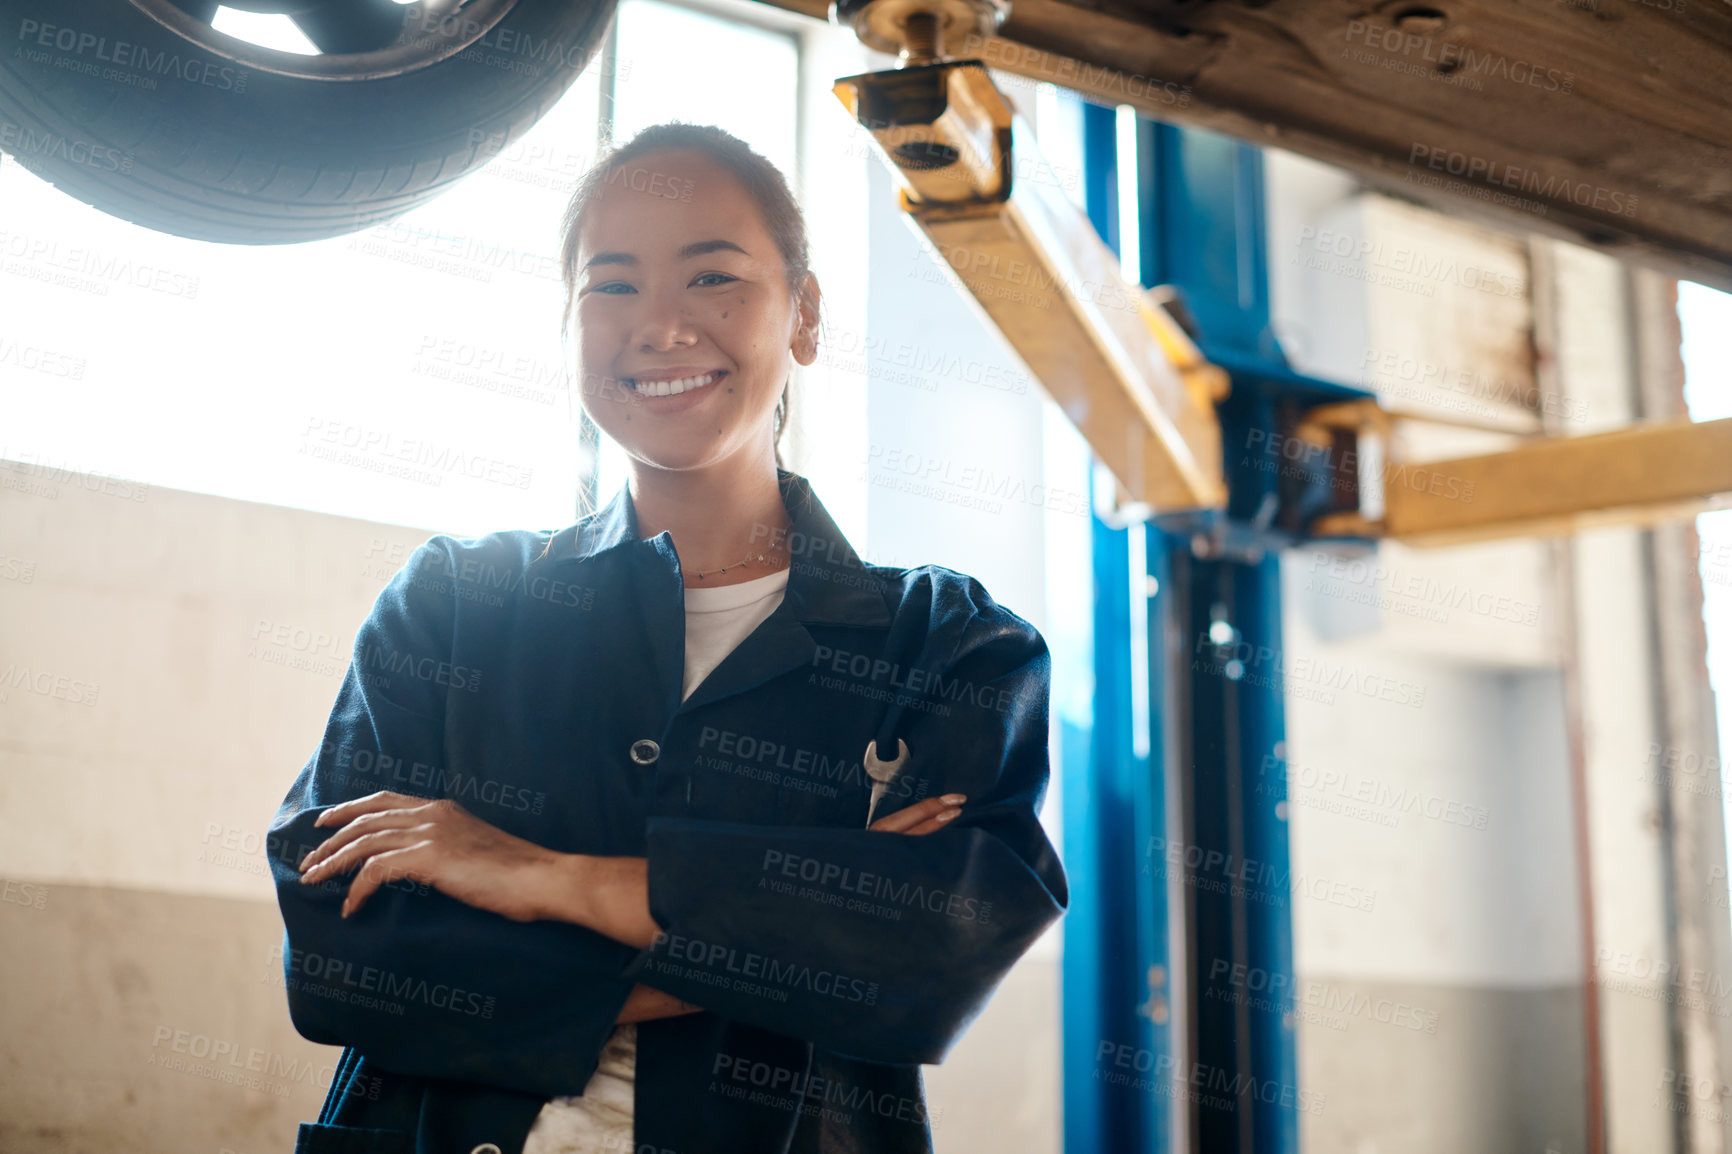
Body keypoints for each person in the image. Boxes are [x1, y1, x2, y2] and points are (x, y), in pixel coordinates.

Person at [268, 121, 1069, 1154]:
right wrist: (804, 912)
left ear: (806, 314)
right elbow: (345, 961)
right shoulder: (454, 603)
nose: (658, 326)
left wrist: (535, 873)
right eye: (611, 285)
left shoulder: (945, 646)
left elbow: (935, 944)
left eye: (711, 278)